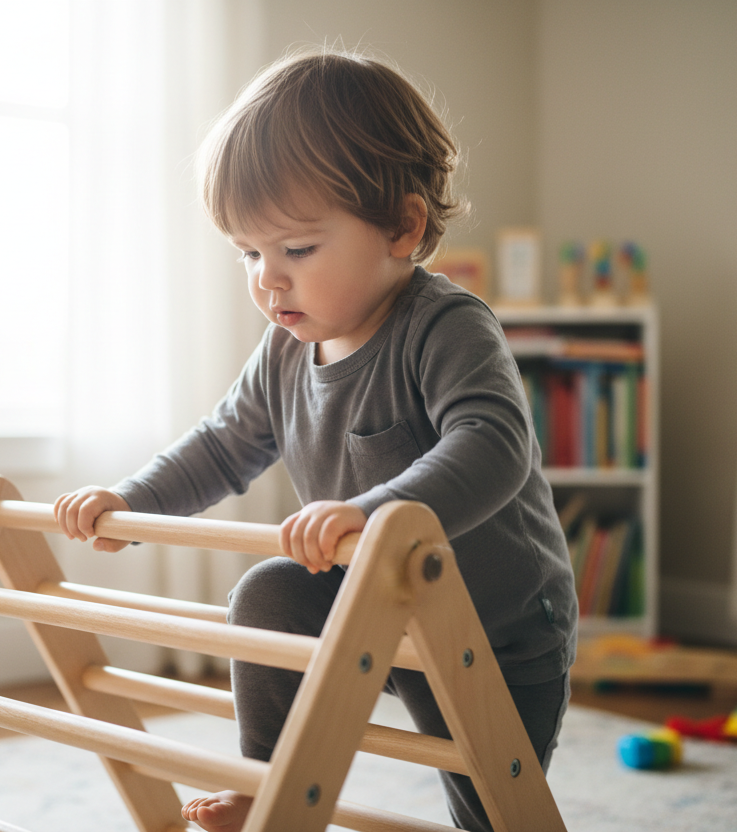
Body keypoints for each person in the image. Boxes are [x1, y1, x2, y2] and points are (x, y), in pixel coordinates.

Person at [55, 48, 577, 832]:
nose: (269, 279)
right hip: (376, 605)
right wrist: (134, 497)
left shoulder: (445, 326)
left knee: (490, 803)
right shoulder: (285, 351)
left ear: (402, 227)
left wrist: (376, 510)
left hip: (499, 627)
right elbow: (225, 443)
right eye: (249, 254)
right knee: (267, 592)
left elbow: (493, 443)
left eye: (296, 249)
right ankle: (269, 781)